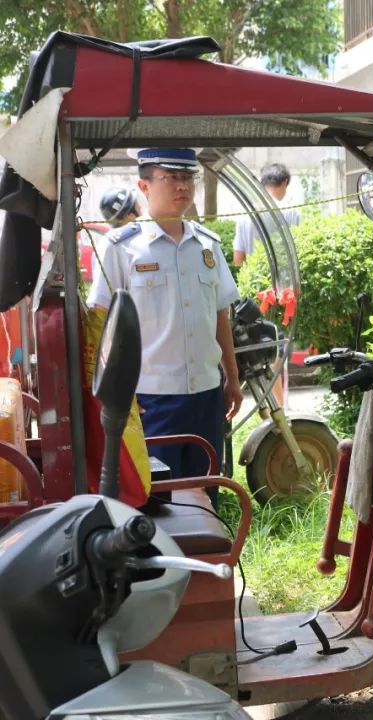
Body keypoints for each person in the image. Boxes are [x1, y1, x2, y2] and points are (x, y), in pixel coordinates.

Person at [87, 148, 242, 506]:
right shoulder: (121, 248)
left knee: (206, 498)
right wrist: (112, 397)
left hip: (205, 394)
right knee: (159, 504)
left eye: (188, 178)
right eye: (170, 178)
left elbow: (221, 314)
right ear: (144, 185)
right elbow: (101, 325)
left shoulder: (208, 245)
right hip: (149, 401)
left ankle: (207, 561)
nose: (182, 186)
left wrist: (231, 379)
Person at [233, 163, 300, 267]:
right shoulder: (291, 212)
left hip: (253, 280)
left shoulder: (245, 214)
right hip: (283, 280)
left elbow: (238, 260)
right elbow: (297, 250)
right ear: (284, 183)